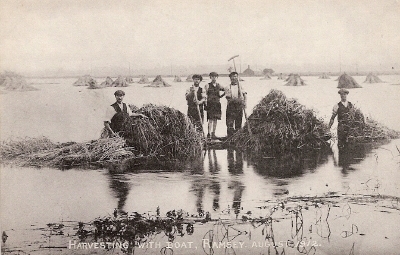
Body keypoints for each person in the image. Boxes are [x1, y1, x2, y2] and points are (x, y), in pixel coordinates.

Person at [225, 72, 247, 137]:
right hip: (231, 106)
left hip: (239, 106)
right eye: (232, 76)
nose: (234, 78)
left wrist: (245, 102)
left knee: (238, 121)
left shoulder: (241, 86)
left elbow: (245, 95)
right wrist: (238, 100)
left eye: (235, 76)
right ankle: (230, 137)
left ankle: (237, 137)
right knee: (230, 122)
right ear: (230, 78)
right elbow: (228, 98)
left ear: (237, 77)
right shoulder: (227, 87)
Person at [204, 72, 225, 139]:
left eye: (215, 76)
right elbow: (204, 95)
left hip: (217, 104)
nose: (214, 78)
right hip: (210, 104)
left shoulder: (219, 85)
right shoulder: (207, 85)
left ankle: (213, 133)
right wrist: (205, 103)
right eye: (212, 76)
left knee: (215, 119)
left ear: (217, 77)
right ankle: (209, 134)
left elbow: (226, 90)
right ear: (210, 77)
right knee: (210, 119)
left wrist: (222, 95)